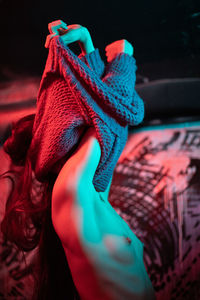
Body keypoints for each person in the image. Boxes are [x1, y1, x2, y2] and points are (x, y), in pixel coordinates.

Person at [1, 20, 155, 299]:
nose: (78, 119)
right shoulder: (71, 195)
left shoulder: (92, 195)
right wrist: (121, 60)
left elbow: (104, 121)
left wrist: (90, 48)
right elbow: (105, 124)